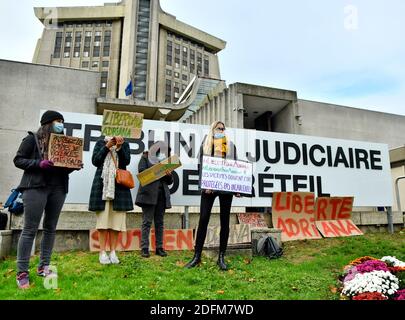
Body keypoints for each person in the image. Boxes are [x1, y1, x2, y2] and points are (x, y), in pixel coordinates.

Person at [13, 110, 82, 289]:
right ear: (48, 123)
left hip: (58, 188)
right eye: (58, 121)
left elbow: (61, 168)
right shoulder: (32, 139)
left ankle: (44, 266)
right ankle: (22, 272)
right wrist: (38, 164)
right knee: (30, 229)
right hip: (35, 187)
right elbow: (18, 160)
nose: (61, 124)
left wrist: (73, 166)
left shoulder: (63, 143)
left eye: (62, 122)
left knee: (50, 228)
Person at [185, 121, 240, 271]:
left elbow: (236, 167)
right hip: (209, 188)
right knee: (203, 219)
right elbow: (200, 165)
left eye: (223, 128)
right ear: (213, 129)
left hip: (226, 188)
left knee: (225, 220)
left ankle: (221, 257)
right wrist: (205, 184)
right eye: (218, 128)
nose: (221, 130)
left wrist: (237, 187)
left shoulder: (231, 145)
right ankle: (197, 256)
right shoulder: (206, 143)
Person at [89, 135, 133, 265]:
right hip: (103, 186)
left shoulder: (124, 143)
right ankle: (102, 252)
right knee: (103, 222)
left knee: (116, 222)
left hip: (119, 187)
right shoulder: (100, 143)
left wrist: (119, 148)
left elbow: (126, 162)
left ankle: (113, 251)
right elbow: (95, 161)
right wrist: (106, 147)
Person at [135, 141, 174, 258]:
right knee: (147, 221)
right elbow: (142, 173)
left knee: (160, 222)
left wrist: (168, 174)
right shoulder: (145, 157)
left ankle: (159, 248)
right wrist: (157, 170)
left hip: (162, 195)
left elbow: (170, 181)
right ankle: (144, 248)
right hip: (148, 194)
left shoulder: (166, 161)